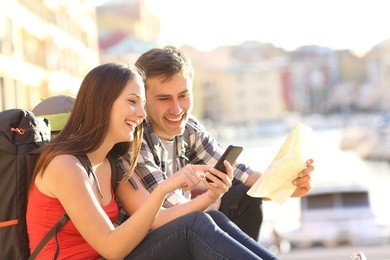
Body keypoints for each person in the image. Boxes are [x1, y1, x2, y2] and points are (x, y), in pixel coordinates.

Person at [26, 62, 279, 259]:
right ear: (102, 103)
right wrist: (164, 189)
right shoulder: (64, 165)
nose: (141, 113)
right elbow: (112, 248)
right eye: (132, 102)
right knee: (191, 227)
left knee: (212, 219)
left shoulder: (110, 162)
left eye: (143, 104)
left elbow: (152, 222)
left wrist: (209, 198)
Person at [121, 46, 314, 241]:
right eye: (164, 99)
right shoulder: (135, 136)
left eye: (183, 95)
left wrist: (287, 186)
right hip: (151, 242)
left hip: (186, 227)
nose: (177, 109)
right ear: (143, 100)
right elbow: (168, 212)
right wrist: (210, 202)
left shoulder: (189, 128)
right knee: (209, 219)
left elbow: (239, 174)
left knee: (242, 197)